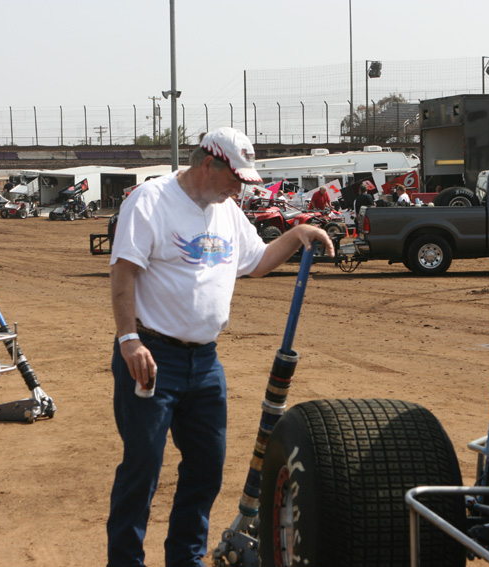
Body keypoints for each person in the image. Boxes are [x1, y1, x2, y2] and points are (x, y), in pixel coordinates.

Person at [107, 127, 333, 567]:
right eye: (235, 179)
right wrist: (128, 339)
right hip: (152, 355)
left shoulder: (227, 210)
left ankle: (185, 559)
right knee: (142, 468)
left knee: (206, 469)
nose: (239, 189)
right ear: (208, 164)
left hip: (204, 362)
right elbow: (123, 272)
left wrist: (297, 233)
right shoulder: (151, 201)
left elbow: (257, 262)